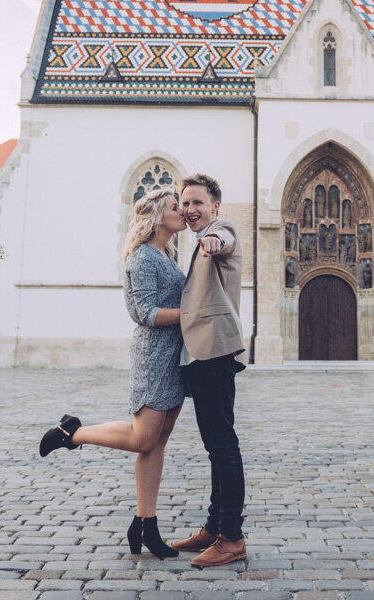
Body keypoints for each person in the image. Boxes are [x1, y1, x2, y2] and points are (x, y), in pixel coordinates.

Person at [39, 187, 188, 560]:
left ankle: (145, 524)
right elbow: (145, 314)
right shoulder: (141, 259)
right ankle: (72, 433)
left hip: (175, 355)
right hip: (154, 355)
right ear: (157, 217)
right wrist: (193, 315)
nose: (182, 211)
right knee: (142, 439)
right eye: (175, 207)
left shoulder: (169, 253)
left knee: (157, 442)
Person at [168, 173, 248, 568]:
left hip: (214, 351)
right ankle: (215, 527)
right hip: (203, 354)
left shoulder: (220, 231)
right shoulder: (198, 238)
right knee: (215, 447)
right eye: (185, 203)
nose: (190, 209)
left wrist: (214, 241)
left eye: (197, 202)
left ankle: (231, 537)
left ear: (215, 206)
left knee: (223, 447)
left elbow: (225, 240)